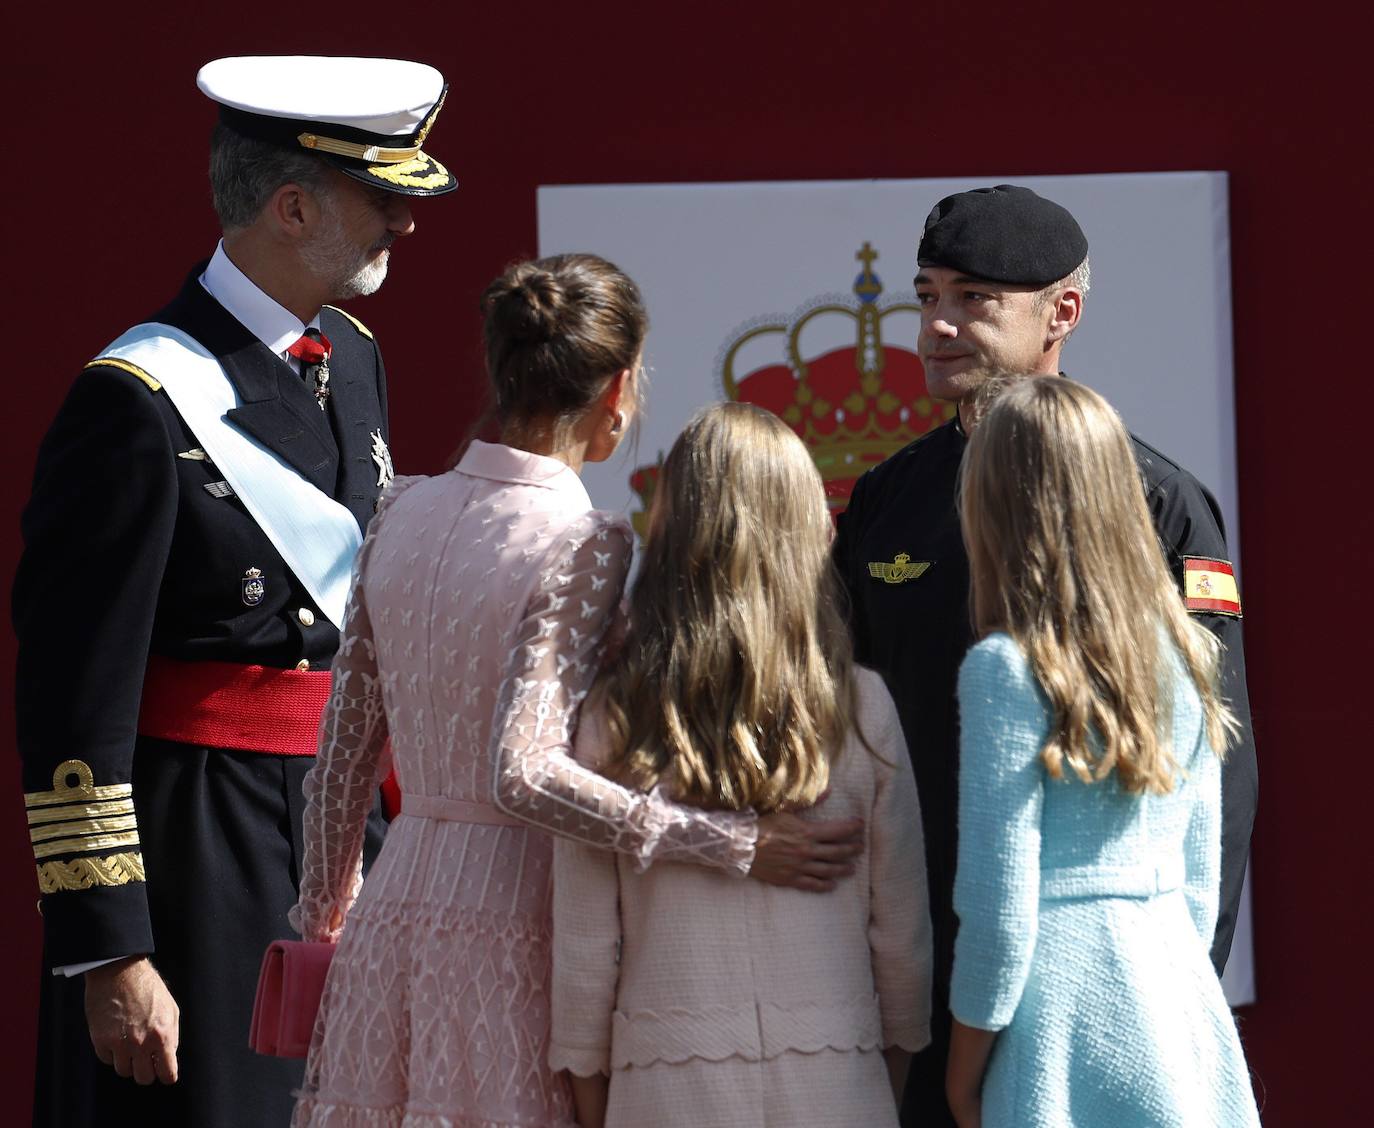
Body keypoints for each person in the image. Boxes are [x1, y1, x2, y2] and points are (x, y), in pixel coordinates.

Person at [290, 256, 866, 1127]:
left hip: (392, 919)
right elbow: (523, 773)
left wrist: (326, 922)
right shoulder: (587, 540)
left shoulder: (398, 508)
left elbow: (340, 767)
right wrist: (728, 841)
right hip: (517, 918)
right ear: (620, 386)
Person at [14, 55, 458, 1128]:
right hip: (200, 850)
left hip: (343, 824)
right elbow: (74, 700)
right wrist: (111, 948)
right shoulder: (136, 401)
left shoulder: (352, 357)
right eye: (382, 200)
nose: (406, 225)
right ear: (293, 206)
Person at [831, 184, 1258, 1125]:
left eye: (973, 298)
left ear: (1061, 311)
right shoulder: (884, 499)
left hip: (1086, 989)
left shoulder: (1161, 502)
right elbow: (838, 724)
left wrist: (1175, 980)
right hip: (912, 968)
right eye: (927, 296)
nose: (938, 326)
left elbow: (1217, 776)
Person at [548, 401, 933, 1128]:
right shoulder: (863, 708)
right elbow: (903, 943)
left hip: (662, 1092)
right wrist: (883, 1073)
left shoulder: (611, 715)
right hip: (840, 1083)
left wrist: (597, 1103)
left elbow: (586, 950)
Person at [944, 376, 1259, 1127]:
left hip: (1059, 1021)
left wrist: (961, 1072)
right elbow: (1200, 875)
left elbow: (998, 910)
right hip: (1178, 1004)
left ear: (992, 505)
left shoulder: (1006, 669)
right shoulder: (1186, 651)